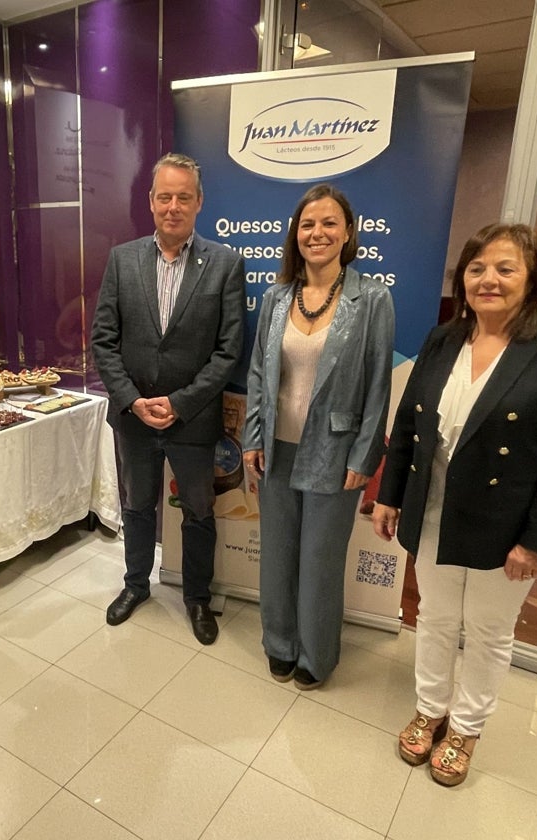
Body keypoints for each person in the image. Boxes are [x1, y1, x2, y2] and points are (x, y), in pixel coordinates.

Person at [373, 223, 537, 786]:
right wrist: (390, 494)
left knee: (490, 629)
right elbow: (408, 424)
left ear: (532, 279)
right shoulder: (443, 338)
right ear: (463, 279)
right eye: (476, 269)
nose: (488, 280)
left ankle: (466, 727)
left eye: (505, 269)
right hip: (433, 510)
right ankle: (430, 710)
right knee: (435, 617)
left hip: (509, 523)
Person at [242, 184, 394, 690]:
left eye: (329, 223)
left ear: (348, 232)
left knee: (321, 561)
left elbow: (378, 384)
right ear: (295, 234)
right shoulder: (275, 297)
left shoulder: (371, 298)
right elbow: (259, 376)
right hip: (276, 448)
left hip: (335, 450)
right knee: (278, 552)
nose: (318, 233)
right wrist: (252, 437)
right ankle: (279, 643)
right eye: (308, 224)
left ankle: (316, 655)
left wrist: (365, 454)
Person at [90, 152, 245, 645]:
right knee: (137, 506)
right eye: (164, 196)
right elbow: (104, 340)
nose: (172, 206)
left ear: (199, 202)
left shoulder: (224, 264)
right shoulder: (123, 259)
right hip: (133, 418)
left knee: (199, 512)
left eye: (183, 196)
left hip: (193, 421)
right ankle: (136, 585)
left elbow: (228, 353)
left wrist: (179, 403)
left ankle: (197, 598)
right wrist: (132, 400)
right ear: (150, 201)